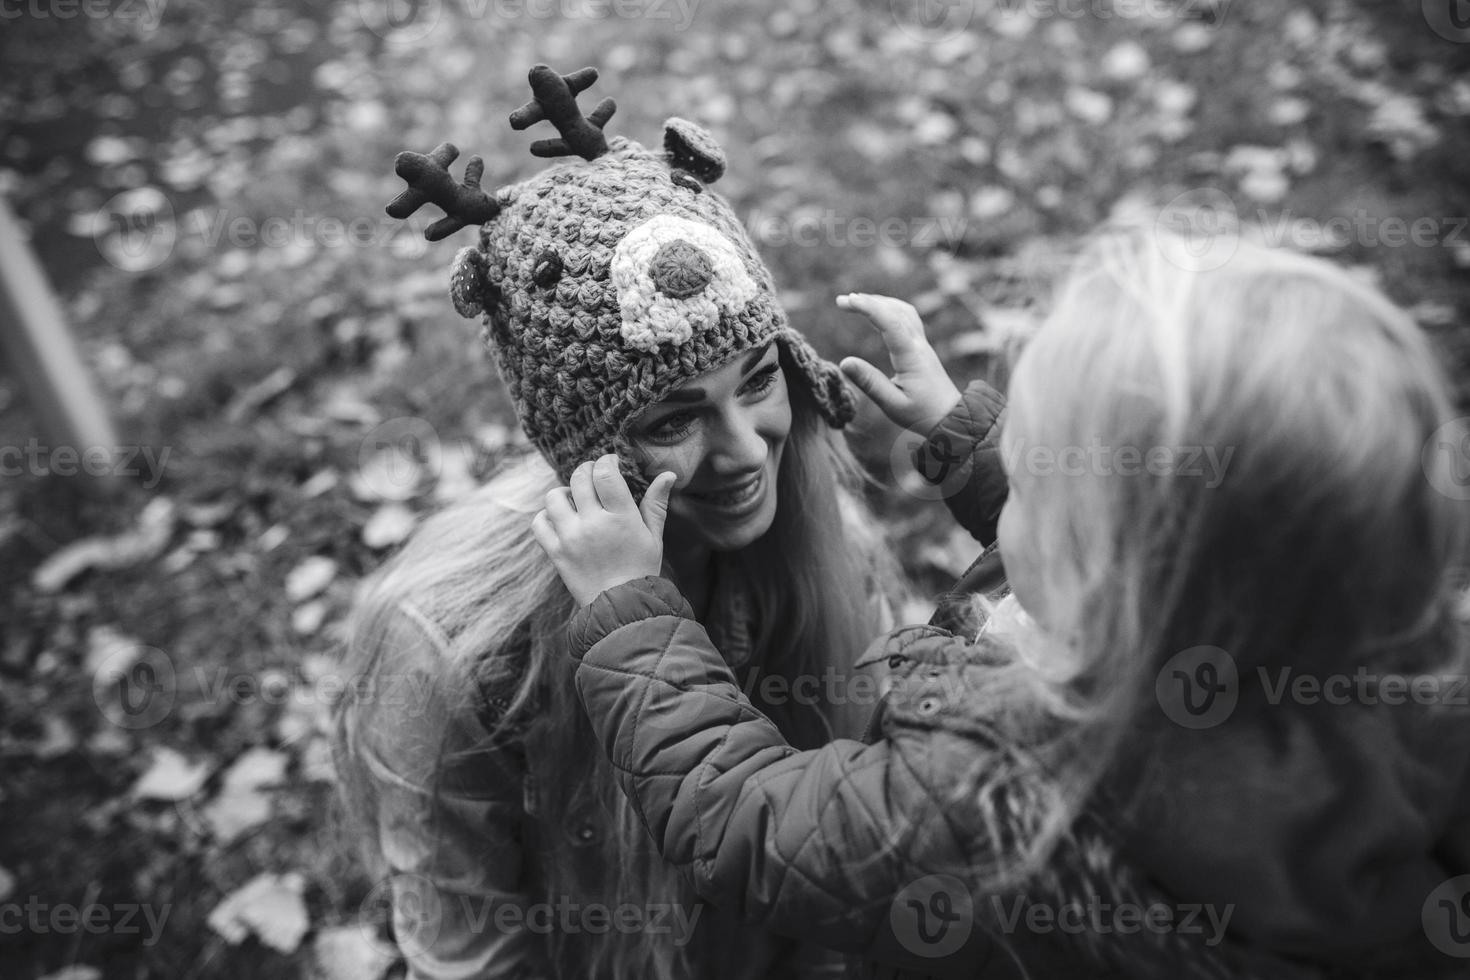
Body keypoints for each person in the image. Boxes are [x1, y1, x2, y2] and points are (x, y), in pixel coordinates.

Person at [534, 225, 1470, 978]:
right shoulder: (1395, 701)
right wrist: (963, 440)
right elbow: (1089, 565)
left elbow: (744, 817)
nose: (1017, 483)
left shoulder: (988, 800)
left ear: (1101, 585)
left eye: (1033, 476)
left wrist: (632, 608)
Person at [331, 66, 904, 980]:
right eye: (674, 418)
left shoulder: (825, 545)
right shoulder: (454, 644)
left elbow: (859, 841)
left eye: (758, 381)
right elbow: (474, 953)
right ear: (579, 448)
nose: (749, 453)